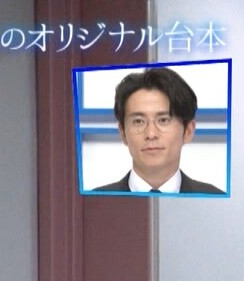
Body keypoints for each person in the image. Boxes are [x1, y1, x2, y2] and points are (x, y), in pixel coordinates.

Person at [91, 66, 225, 194]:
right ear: (123, 133)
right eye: (138, 121)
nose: (151, 134)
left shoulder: (217, 200)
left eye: (163, 120)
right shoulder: (95, 200)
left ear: (188, 131)